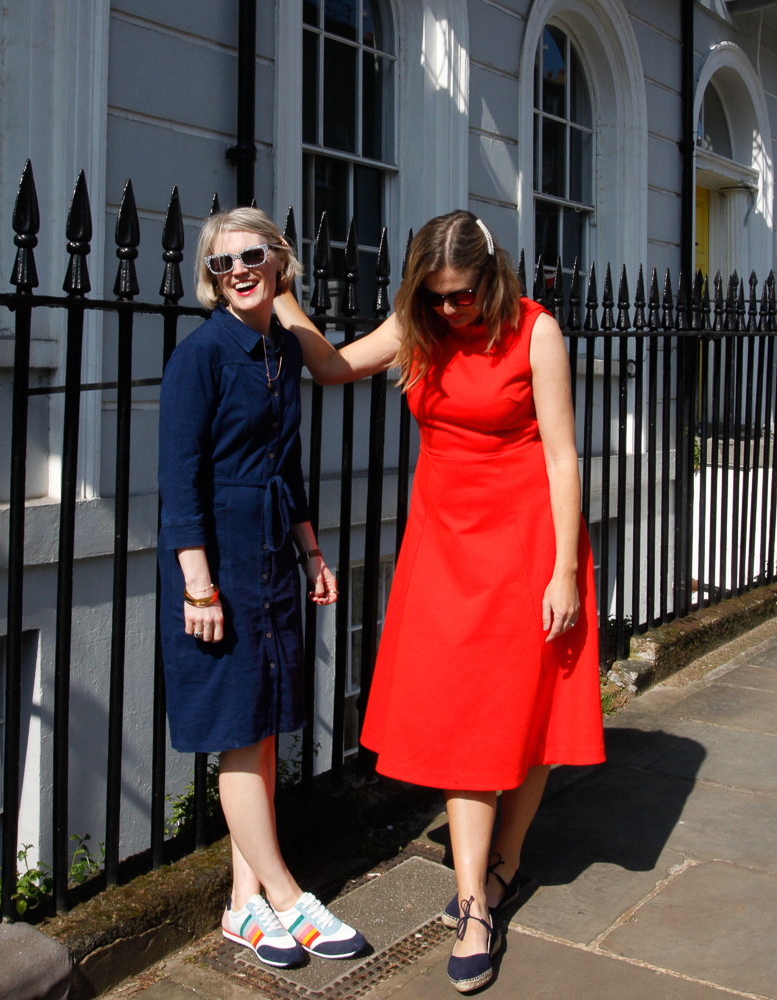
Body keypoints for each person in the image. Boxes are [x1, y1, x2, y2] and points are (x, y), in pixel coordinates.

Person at [274, 210, 606, 992]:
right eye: (438, 297)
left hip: (527, 542)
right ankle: (473, 901)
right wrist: (285, 303)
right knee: (466, 720)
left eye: (462, 295)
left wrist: (564, 570)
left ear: (491, 276)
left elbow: (563, 457)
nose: (452, 310)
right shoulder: (415, 323)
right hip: (445, 544)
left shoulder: (537, 333)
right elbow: (332, 368)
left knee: (529, 714)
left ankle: (505, 866)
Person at [157, 206, 366, 969]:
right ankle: (284, 894)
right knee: (239, 729)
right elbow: (177, 483)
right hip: (218, 559)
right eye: (222, 264)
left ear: (281, 263)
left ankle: (242, 906)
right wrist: (199, 587)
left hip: (275, 550)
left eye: (251, 255)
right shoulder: (201, 356)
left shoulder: (280, 348)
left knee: (267, 721)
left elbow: (288, 466)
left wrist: (311, 553)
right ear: (212, 282)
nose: (239, 270)